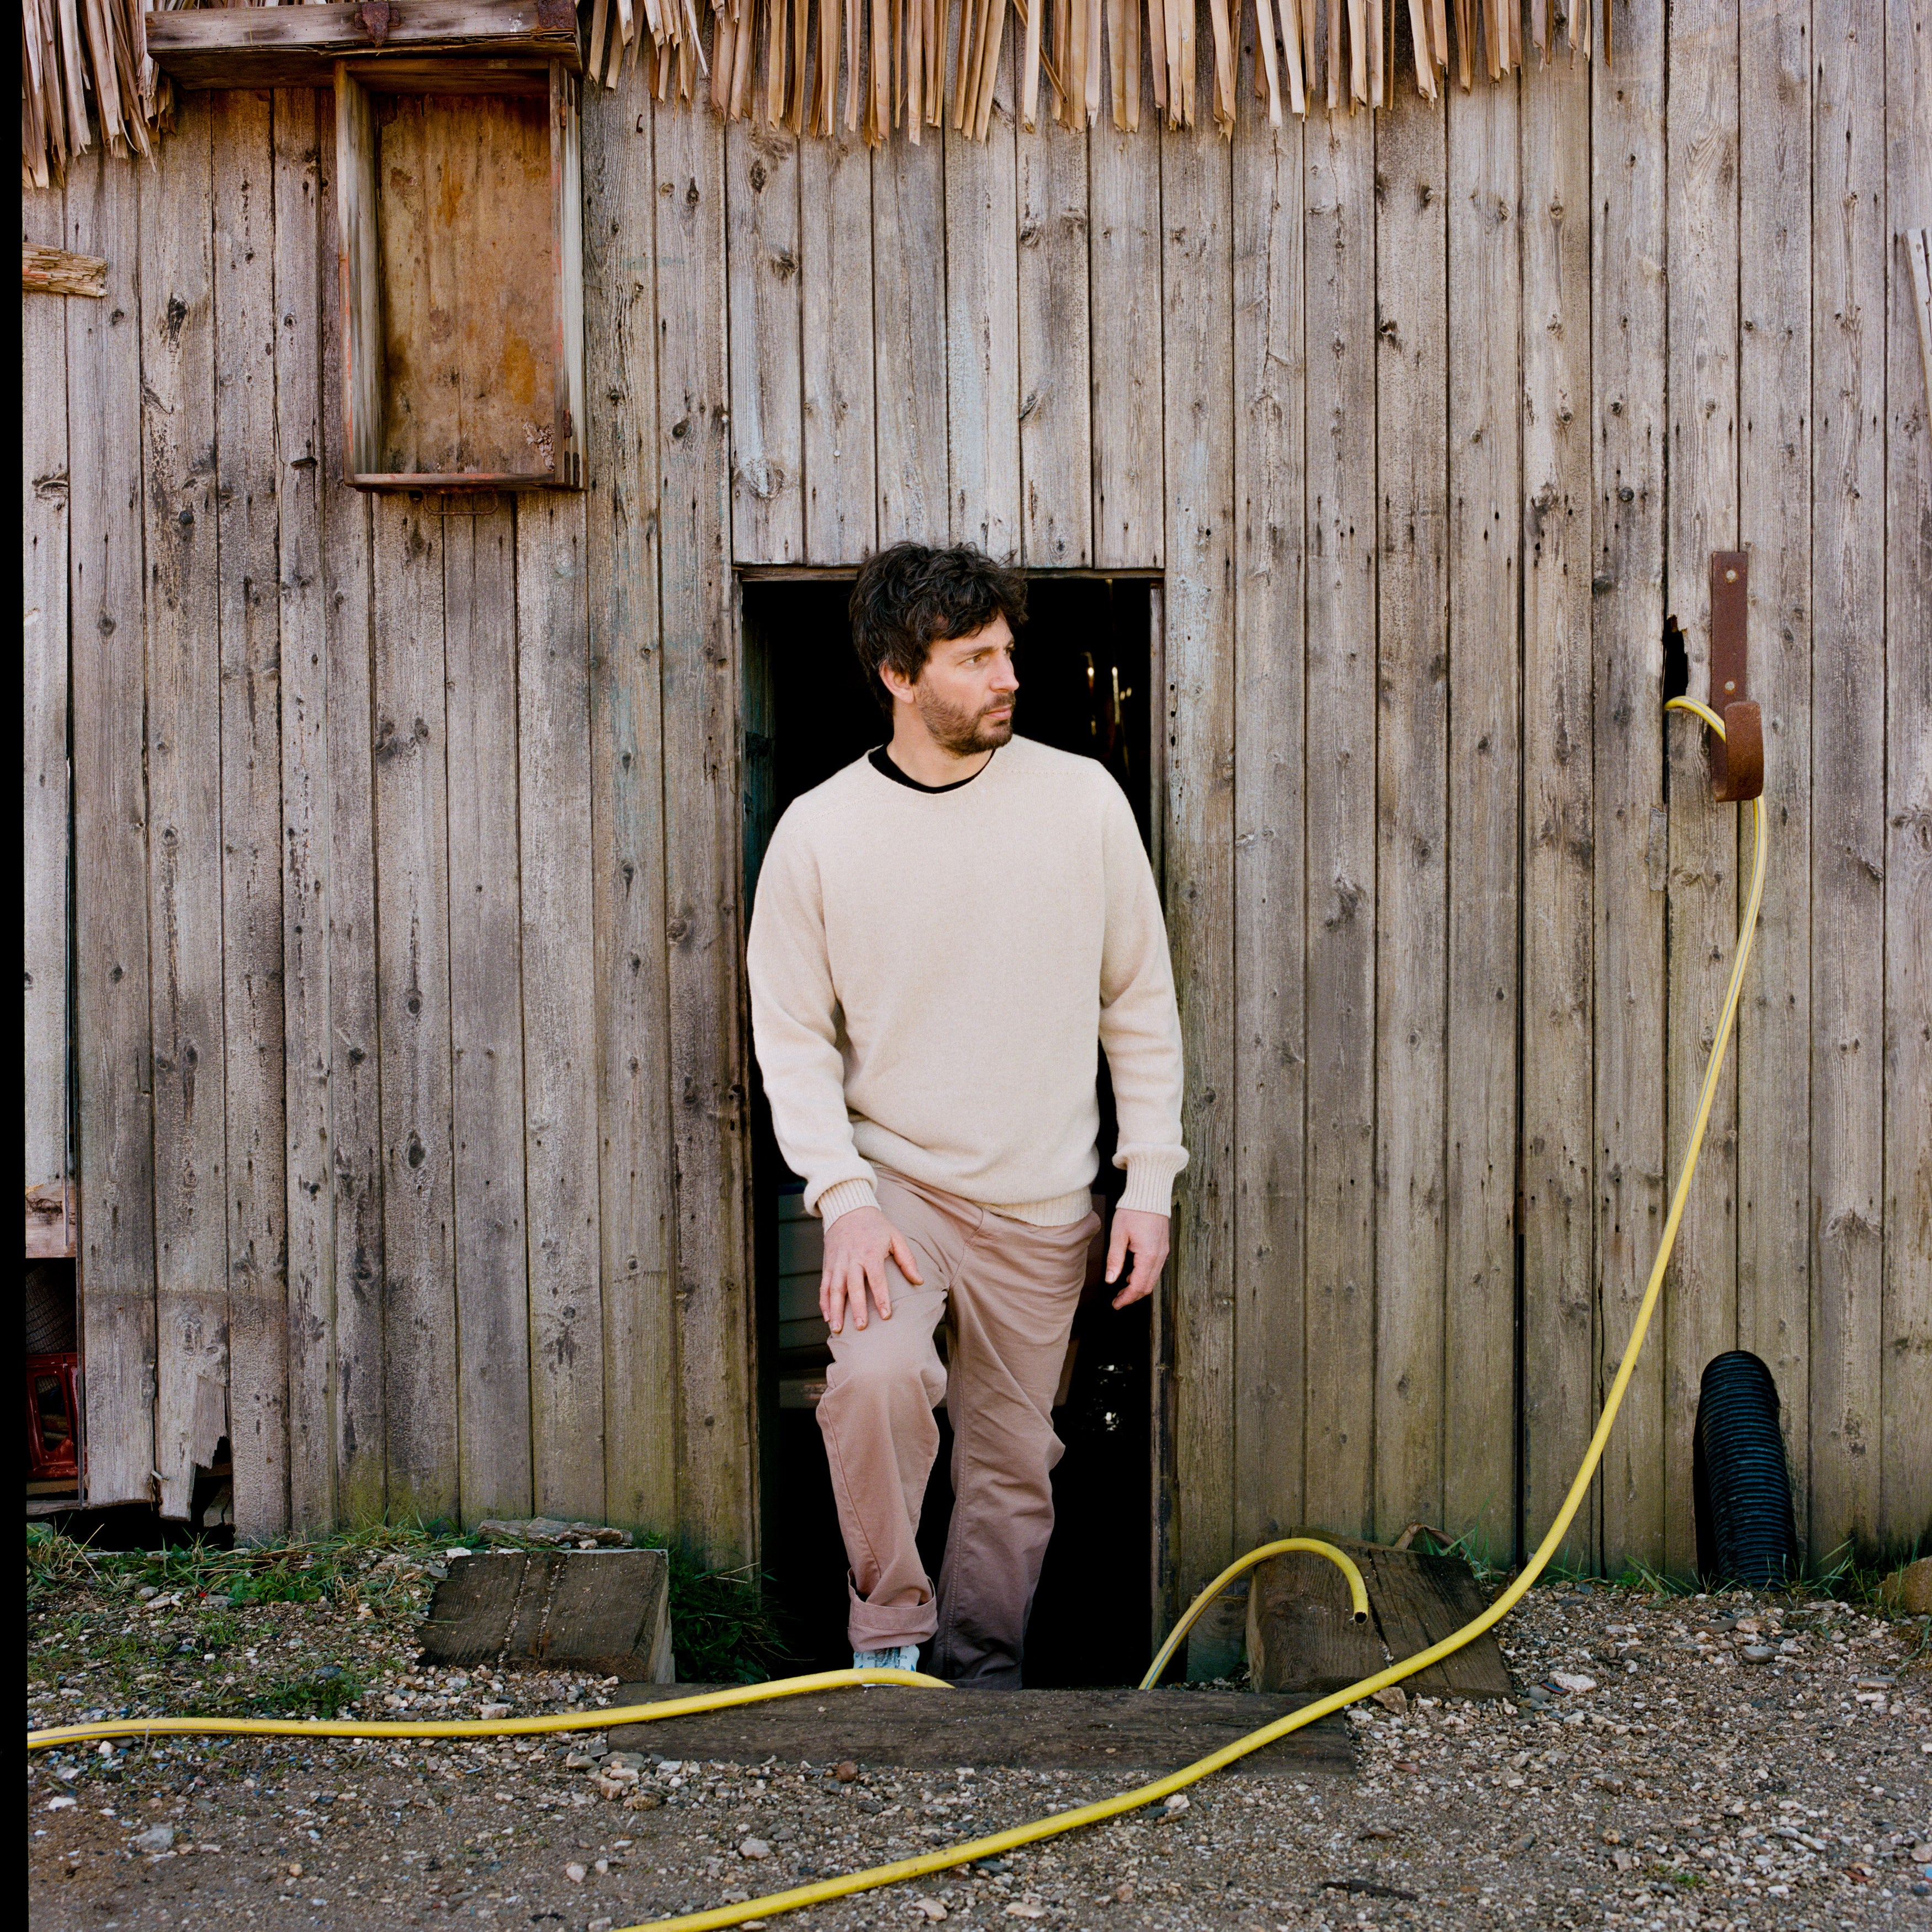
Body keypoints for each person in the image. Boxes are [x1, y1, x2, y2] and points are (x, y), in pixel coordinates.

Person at [746, 542, 1187, 1688]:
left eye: (1007, 651)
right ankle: (888, 1641)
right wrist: (843, 1198)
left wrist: (1147, 1182)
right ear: (898, 675)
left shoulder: (1082, 802)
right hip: (898, 1190)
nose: (1008, 677)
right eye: (976, 658)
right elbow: (792, 1037)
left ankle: (980, 1681)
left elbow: (1138, 1002)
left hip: (1046, 1201)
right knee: (876, 1379)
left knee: (1012, 1466)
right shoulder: (820, 833)